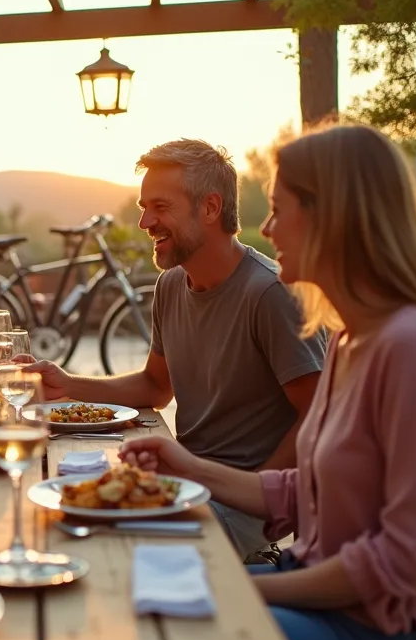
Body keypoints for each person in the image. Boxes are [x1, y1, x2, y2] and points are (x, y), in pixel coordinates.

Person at [118, 124, 416, 640]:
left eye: (278, 209)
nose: (266, 227)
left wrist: (239, 588)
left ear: (332, 218)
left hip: (387, 635)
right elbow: (309, 491)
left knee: (168, 637)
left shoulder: (412, 349)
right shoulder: (352, 338)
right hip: (327, 599)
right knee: (132, 592)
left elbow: (409, 559)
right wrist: (190, 467)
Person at [25, 138, 325, 561]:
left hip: (240, 502)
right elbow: (154, 387)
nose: (145, 221)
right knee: (62, 509)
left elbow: (318, 415)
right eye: (145, 206)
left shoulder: (272, 295)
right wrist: (68, 383)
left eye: (160, 207)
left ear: (210, 208)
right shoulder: (170, 285)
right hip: (182, 477)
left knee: (107, 544)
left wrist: (257, 495)